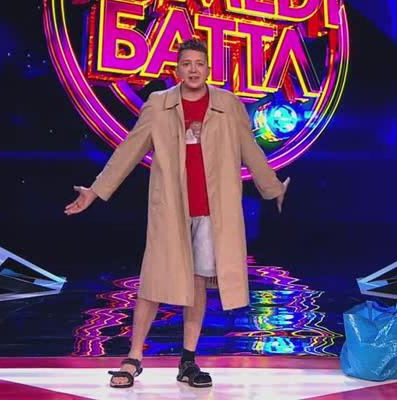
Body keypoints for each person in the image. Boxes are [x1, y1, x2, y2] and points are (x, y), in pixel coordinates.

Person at [64, 38, 290, 388]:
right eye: (187, 64)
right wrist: (95, 191)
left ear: (208, 69)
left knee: (197, 284)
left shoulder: (228, 104)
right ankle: (133, 358)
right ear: (177, 70)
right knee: (153, 282)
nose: (193, 70)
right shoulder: (159, 104)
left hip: (213, 212)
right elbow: (129, 150)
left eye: (199, 63)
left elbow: (251, 150)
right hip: (170, 209)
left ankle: (188, 360)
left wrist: (273, 187)